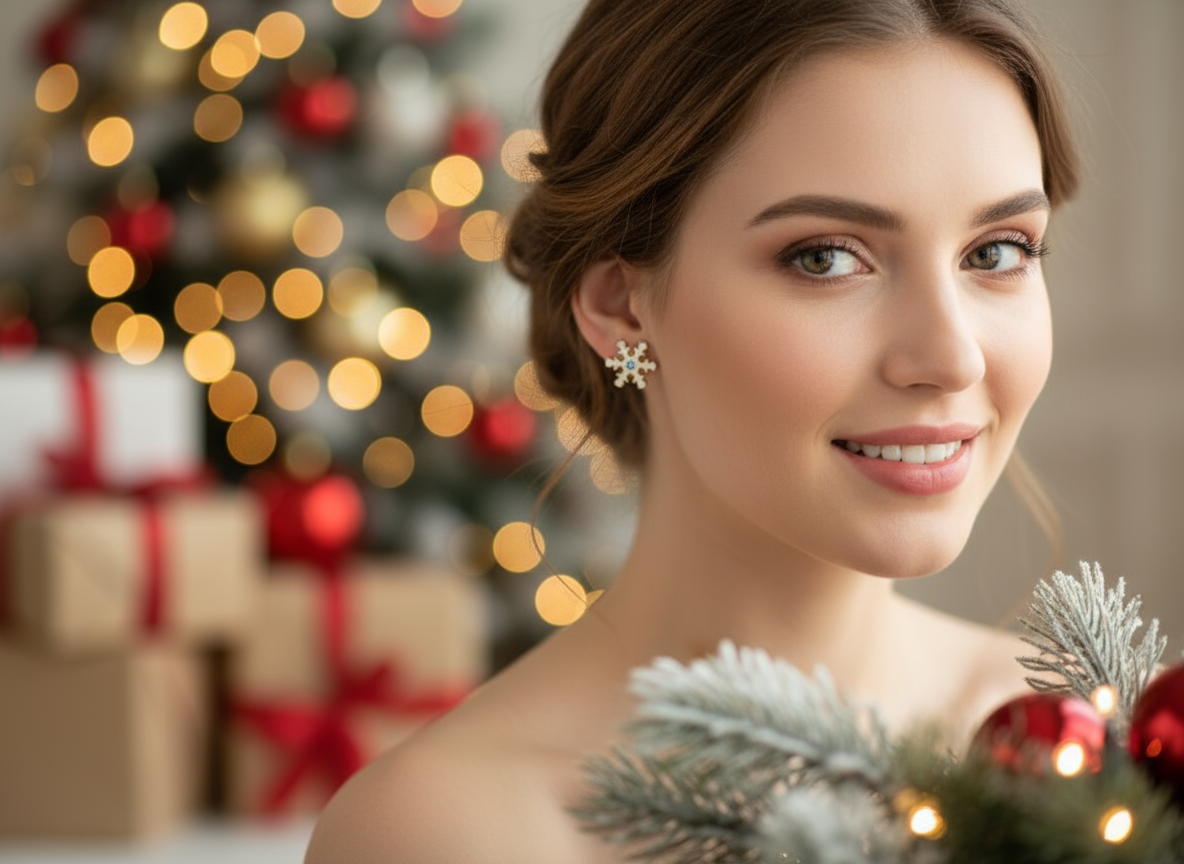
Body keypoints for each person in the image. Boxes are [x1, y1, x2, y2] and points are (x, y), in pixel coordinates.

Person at [305, 0, 1080, 860]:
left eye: (998, 251)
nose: (951, 356)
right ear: (620, 302)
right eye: (825, 257)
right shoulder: (444, 835)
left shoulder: (1101, 745)